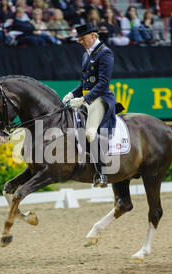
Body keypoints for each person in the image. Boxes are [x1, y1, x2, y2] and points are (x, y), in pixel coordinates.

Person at [62, 23, 118, 188]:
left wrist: (84, 99)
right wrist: (73, 94)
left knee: (90, 133)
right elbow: (84, 83)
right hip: (87, 97)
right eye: (78, 39)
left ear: (93, 35)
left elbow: (102, 83)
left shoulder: (105, 53)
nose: (80, 41)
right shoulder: (86, 55)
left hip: (100, 99)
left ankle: (102, 175)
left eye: (82, 38)